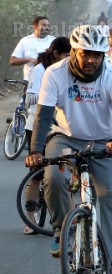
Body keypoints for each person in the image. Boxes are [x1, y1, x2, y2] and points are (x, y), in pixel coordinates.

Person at [26, 25, 112, 274]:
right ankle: (62, 229)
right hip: (66, 138)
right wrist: (35, 151)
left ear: (103, 54)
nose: (91, 60)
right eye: (85, 54)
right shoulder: (55, 73)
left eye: (97, 54)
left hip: (105, 142)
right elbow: (45, 114)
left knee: (110, 197)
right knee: (53, 178)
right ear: (74, 52)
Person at [20, 37, 71, 233]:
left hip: (60, 129)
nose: (68, 59)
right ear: (56, 54)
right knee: (36, 174)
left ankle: (69, 216)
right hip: (38, 125)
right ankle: (30, 219)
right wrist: (47, 97)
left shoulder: (67, 71)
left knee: (64, 174)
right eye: (66, 55)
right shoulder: (39, 70)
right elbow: (30, 97)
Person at [9, 15, 54, 80]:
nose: (47, 28)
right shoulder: (25, 41)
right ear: (35, 26)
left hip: (49, 81)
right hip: (30, 81)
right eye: (44, 25)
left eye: (48, 25)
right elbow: (13, 61)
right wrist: (30, 59)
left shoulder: (54, 41)